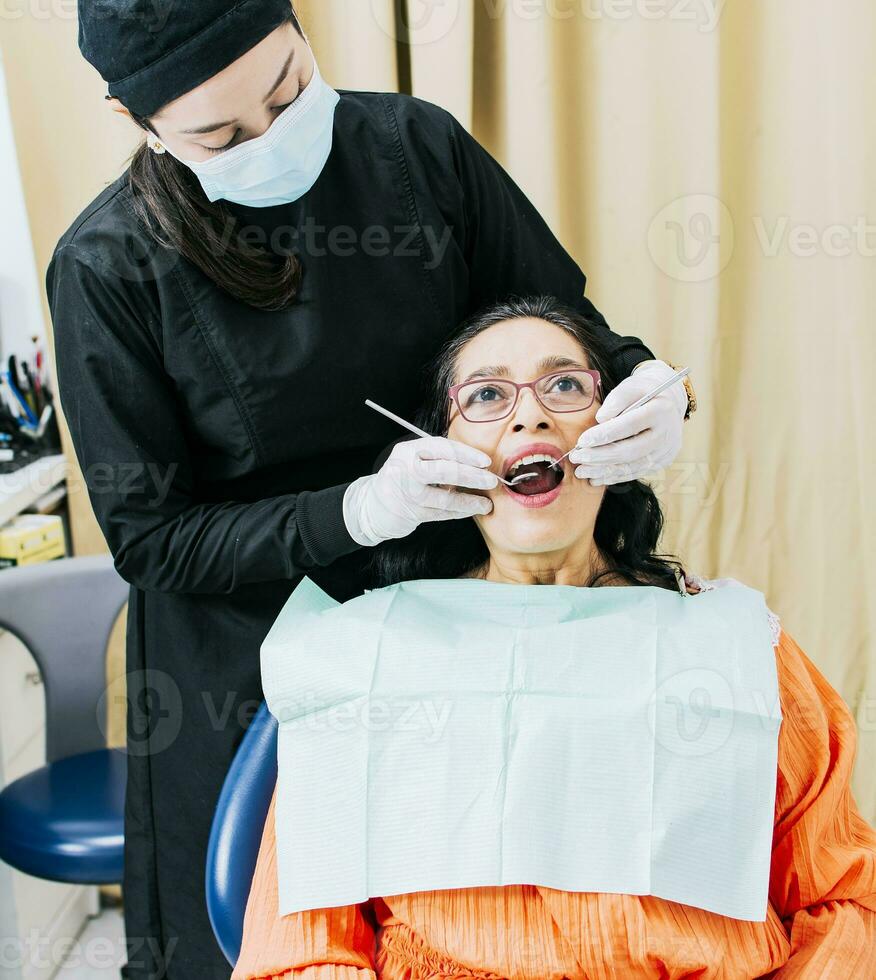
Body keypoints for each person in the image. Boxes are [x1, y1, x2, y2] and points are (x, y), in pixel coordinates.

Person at [49, 3, 695, 976]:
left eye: (288, 90)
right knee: (268, 931)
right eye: (220, 135)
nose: (270, 140)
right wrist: (356, 509)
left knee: (475, 919)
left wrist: (642, 380)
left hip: (457, 611)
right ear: (135, 119)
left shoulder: (414, 148)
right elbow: (154, 539)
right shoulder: (107, 267)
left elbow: (556, 317)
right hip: (247, 661)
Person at [231, 296, 876, 979]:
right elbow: (301, 950)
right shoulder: (366, 658)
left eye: (565, 385)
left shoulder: (740, 648)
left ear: (620, 431)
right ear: (440, 453)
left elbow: (843, 900)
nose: (530, 414)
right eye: (485, 395)